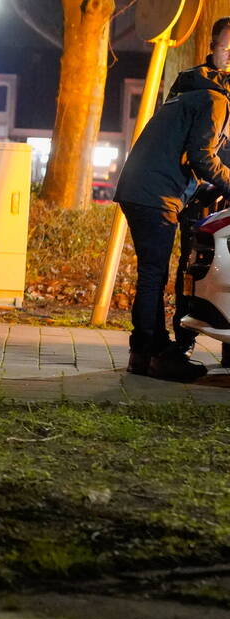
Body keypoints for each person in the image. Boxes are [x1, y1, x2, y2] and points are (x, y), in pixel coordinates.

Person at [114, 17, 230, 382]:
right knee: (153, 275)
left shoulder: (189, 90)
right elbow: (202, 156)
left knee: (152, 273)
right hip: (156, 193)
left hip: (141, 187)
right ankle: (157, 353)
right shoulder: (214, 99)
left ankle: (144, 353)